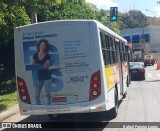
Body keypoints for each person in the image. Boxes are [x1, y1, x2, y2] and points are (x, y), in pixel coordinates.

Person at [32, 39, 51, 105]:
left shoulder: (48, 56)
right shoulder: (35, 55)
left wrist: (37, 65)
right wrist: (39, 66)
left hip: (47, 77)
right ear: (39, 46)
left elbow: (45, 67)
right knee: (36, 95)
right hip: (37, 77)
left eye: (44, 45)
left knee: (48, 94)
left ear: (46, 47)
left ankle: (49, 106)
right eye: (41, 45)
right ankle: (39, 106)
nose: (42, 46)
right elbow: (32, 66)